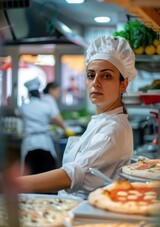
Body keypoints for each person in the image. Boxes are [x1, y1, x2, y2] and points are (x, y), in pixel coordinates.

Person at [16, 35, 137, 199]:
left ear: (123, 84)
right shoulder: (103, 120)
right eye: (90, 75)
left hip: (84, 214)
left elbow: (74, 175)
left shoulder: (112, 128)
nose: (95, 82)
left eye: (106, 75)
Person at [17, 77, 61, 175]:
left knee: (29, 174)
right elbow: (58, 120)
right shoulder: (46, 107)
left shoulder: (23, 108)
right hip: (45, 141)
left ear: (28, 94)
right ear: (39, 93)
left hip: (29, 143)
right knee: (47, 174)